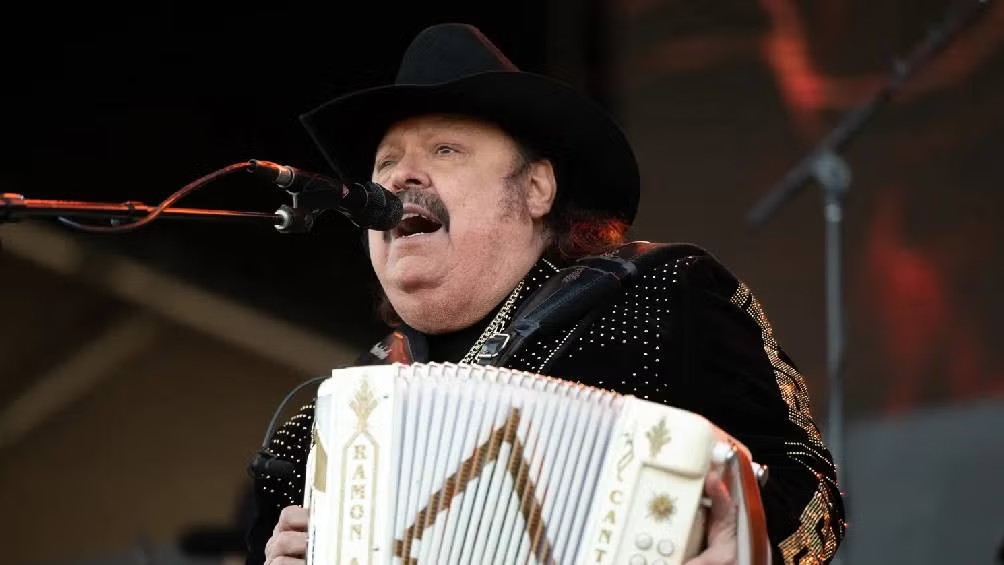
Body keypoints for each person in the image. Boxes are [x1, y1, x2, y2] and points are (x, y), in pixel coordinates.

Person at [246, 23, 846, 565]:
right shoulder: (322, 429)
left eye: (445, 150)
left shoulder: (664, 296)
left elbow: (812, 492)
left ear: (536, 189)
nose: (399, 176)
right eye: (385, 163)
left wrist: (754, 549)